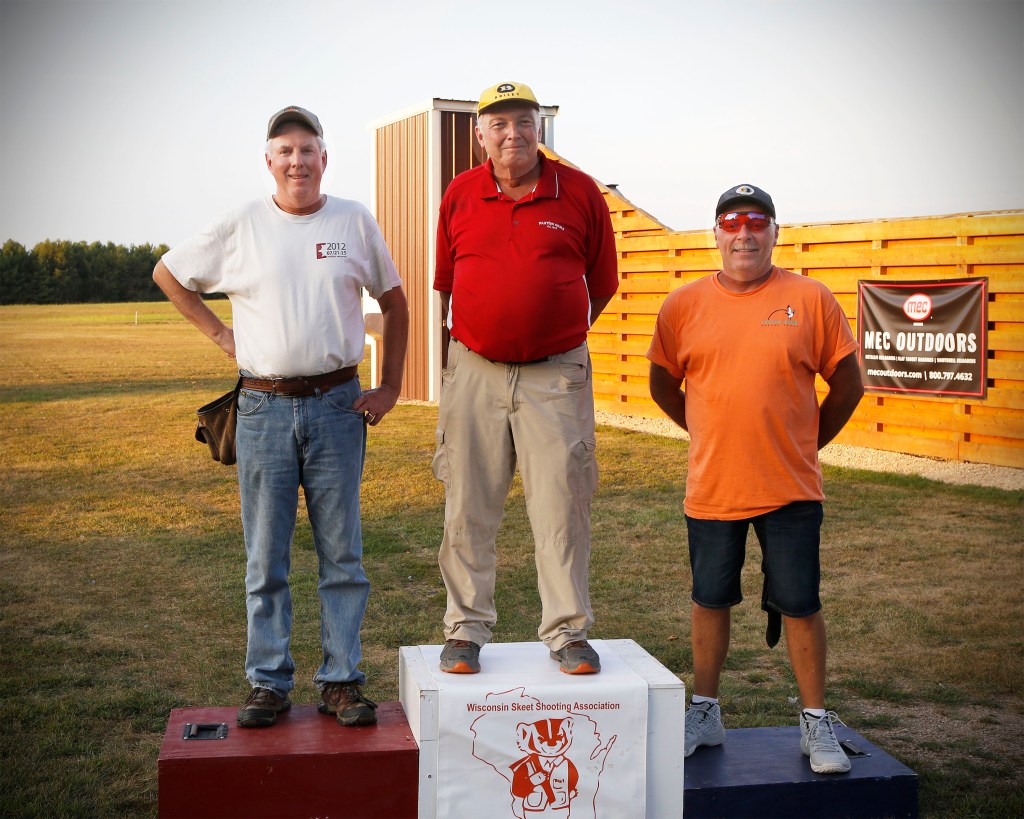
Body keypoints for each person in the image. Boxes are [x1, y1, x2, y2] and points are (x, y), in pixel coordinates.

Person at [153, 105, 409, 729]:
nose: (298, 161)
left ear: (325, 158)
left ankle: (341, 681)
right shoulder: (242, 223)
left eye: (308, 149)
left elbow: (396, 301)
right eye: (286, 151)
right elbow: (169, 273)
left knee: (342, 554)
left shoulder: (352, 219)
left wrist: (391, 386)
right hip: (263, 408)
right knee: (265, 557)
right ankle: (268, 682)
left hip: (337, 405)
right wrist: (221, 336)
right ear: (269, 161)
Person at [647, 184, 864, 774]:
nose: (743, 232)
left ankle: (815, 722)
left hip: (790, 488)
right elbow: (662, 383)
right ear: (716, 234)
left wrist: (807, 443)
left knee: (800, 602)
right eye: (731, 222)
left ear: (774, 232)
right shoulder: (683, 304)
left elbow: (848, 383)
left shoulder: (811, 298)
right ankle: (705, 712)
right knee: (709, 598)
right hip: (713, 485)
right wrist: (704, 431)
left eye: (756, 221)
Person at [432, 81, 619, 675]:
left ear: (539, 129)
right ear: (480, 135)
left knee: (562, 505)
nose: (512, 133)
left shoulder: (580, 192)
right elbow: (446, 283)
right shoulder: (460, 193)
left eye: (523, 121)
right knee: (467, 504)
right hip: (474, 371)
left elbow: (602, 283)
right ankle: (464, 631)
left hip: (555, 376)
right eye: (499, 124)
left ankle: (567, 633)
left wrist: (551, 332)